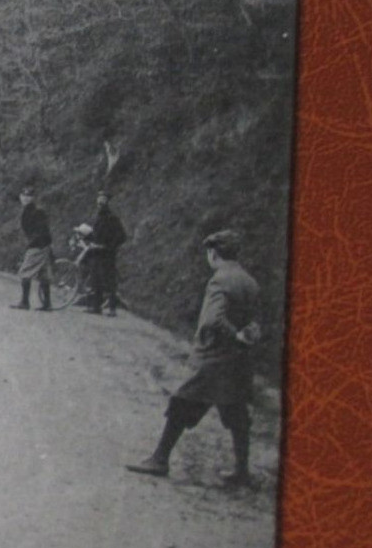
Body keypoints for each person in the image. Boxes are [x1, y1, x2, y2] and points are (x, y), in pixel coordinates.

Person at [126, 230, 262, 488]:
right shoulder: (249, 281)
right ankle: (242, 471)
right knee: (236, 413)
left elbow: (213, 320)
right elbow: (255, 322)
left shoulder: (220, 280)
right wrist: (245, 338)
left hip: (213, 359)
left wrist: (233, 336)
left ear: (214, 253)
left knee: (182, 403)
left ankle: (159, 459)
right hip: (239, 362)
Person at [85, 190, 128, 315]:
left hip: (108, 254)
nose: (100, 203)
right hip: (97, 252)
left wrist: (110, 246)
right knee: (96, 279)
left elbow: (122, 236)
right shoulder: (98, 218)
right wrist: (89, 237)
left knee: (109, 281)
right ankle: (96, 307)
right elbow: (96, 234)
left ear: (107, 202)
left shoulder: (112, 218)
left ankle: (112, 309)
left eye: (103, 200)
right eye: (99, 200)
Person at [11, 185, 52, 311]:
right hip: (42, 245)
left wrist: (32, 243)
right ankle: (47, 304)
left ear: (33, 198)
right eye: (24, 196)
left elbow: (41, 230)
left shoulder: (36, 212)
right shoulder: (29, 211)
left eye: (29, 196)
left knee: (25, 272)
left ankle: (25, 302)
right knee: (43, 274)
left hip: (38, 245)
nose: (25, 198)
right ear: (20, 197)